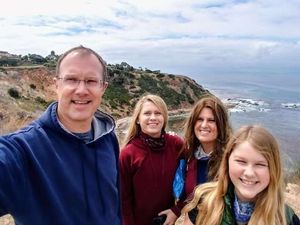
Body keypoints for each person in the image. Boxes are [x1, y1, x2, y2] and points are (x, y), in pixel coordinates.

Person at [0, 46, 122, 225]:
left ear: (103, 88)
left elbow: (115, 203)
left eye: (91, 81)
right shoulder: (23, 150)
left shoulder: (108, 137)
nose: (81, 90)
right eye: (71, 79)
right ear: (56, 84)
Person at [179, 125, 300, 225]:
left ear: (273, 169)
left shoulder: (286, 218)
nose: (249, 173)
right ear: (227, 162)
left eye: (260, 164)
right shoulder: (203, 203)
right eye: (241, 161)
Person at [119, 94, 183, 225]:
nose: (153, 118)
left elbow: (191, 177)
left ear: (164, 118)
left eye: (158, 113)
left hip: (167, 221)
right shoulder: (128, 154)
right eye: (147, 113)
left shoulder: (175, 144)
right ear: (137, 119)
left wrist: (177, 209)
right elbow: (123, 199)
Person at [171, 95, 232, 217]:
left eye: (211, 120)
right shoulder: (191, 156)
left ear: (221, 125)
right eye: (200, 119)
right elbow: (189, 196)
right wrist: (175, 211)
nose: (204, 125)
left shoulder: (231, 159)